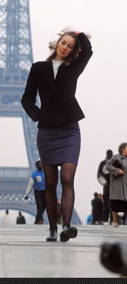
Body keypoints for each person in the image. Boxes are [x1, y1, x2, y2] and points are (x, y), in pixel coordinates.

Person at [21, 28, 93, 241]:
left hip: (69, 130)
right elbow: (27, 98)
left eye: (70, 46)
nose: (65, 47)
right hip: (47, 132)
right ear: (57, 43)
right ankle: (53, 228)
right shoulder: (38, 68)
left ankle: (67, 226)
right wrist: (38, 115)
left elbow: (88, 52)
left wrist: (79, 35)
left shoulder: (73, 68)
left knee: (67, 177)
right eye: (64, 42)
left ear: (72, 50)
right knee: (50, 183)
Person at [106, 143, 127, 227]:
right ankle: (115, 221)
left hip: (126, 184)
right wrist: (117, 170)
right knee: (115, 203)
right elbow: (107, 165)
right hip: (117, 184)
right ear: (123, 149)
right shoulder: (115, 157)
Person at [97, 149, 113, 222]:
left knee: (112, 203)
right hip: (107, 186)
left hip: (113, 186)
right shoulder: (103, 163)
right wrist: (104, 182)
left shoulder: (115, 163)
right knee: (106, 203)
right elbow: (99, 174)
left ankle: (111, 219)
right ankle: (106, 219)